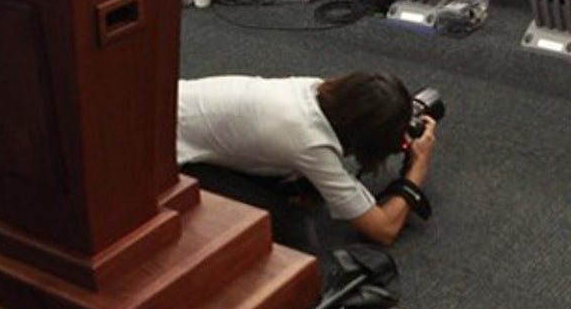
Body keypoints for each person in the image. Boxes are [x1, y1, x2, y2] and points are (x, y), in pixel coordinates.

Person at [176, 72, 438, 248]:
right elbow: (383, 230)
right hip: (165, 154)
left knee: (297, 185)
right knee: (296, 237)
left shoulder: (320, 91)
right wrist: (417, 167)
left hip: (168, 105)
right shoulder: (311, 143)